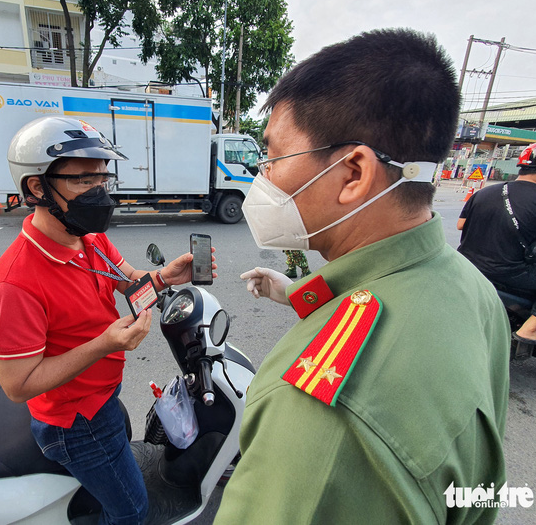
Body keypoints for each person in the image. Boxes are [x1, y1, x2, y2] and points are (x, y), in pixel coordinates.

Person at [215, 29, 509, 524]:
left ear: (354, 173)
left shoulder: (323, 414)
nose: (261, 175)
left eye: (273, 157)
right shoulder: (469, 285)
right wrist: (291, 292)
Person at [0, 116, 216, 525]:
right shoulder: (13, 285)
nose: (99, 193)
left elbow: (125, 281)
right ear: (37, 188)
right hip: (75, 423)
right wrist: (105, 345)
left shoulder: (89, 238)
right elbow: (17, 385)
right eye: (84, 180)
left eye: (103, 180)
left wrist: (163, 277)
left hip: (101, 398)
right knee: (132, 512)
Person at [457, 141, 536, 346]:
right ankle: (531, 327)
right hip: (509, 272)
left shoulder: (484, 192)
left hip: (467, 263)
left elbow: (460, 224)